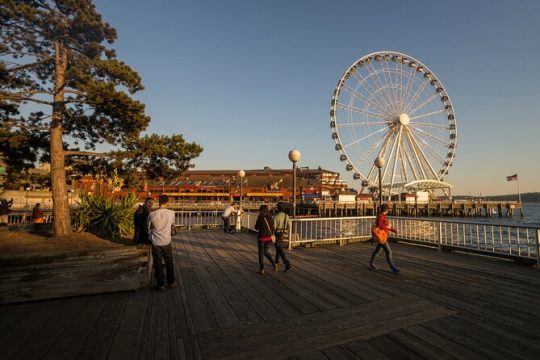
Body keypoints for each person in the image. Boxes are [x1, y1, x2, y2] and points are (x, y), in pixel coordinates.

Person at [148, 195, 176, 291]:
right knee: (169, 262)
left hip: (156, 242)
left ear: (158, 202)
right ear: (167, 202)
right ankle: (171, 282)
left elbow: (149, 227)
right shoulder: (171, 213)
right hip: (167, 241)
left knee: (158, 263)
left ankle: (161, 284)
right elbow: (172, 224)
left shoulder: (152, 214)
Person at [369, 204, 401, 273]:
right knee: (389, 252)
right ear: (386, 210)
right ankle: (392, 268)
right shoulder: (380, 216)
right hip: (382, 237)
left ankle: (371, 263)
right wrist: (387, 227)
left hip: (384, 236)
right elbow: (379, 225)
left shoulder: (382, 216)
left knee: (377, 251)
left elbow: (386, 226)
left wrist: (394, 230)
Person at [254, 204, 277, 275]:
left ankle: (262, 269)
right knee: (266, 251)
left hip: (262, 237)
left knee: (261, 253)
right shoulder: (270, 217)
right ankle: (274, 264)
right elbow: (273, 227)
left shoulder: (261, 217)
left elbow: (257, 227)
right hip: (269, 237)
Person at [273, 202, 292, 271]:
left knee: (279, 249)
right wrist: (285, 230)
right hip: (282, 233)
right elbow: (289, 226)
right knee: (278, 248)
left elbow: (274, 227)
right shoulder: (286, 216)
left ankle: (287, 263)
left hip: (277, 233)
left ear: (278, 208)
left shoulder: (275, 216)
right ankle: (276, 262)